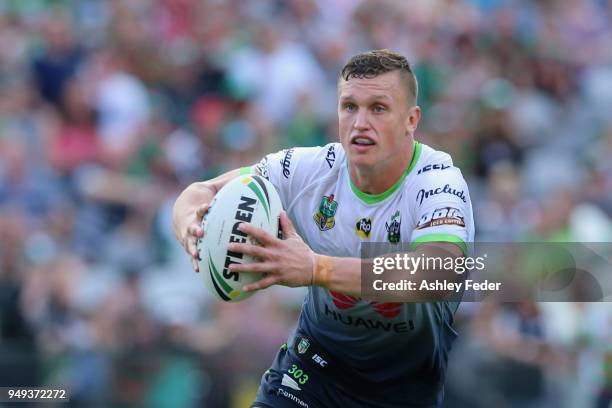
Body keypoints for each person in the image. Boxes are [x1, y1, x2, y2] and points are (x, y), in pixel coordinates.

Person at [173, 49, 474, 408]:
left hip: (401, 393)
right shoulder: (309, 169)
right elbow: (201, 192)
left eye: (378, 108)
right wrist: (191, 224)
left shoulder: (438, 182)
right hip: (311, 372)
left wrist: (315, 268)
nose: (361, 122)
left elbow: (435, 275)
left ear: (411, 119)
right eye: (350, 107)